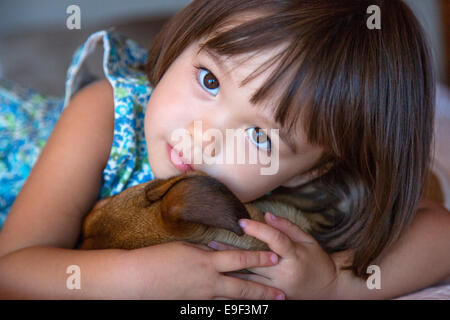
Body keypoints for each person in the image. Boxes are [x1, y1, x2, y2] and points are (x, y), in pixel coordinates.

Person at [0, 0, 449, 299]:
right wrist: (131, 278)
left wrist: (334, 284)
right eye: (210, 80)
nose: (204, 135)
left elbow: (440, 234)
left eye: (260, 137)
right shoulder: (102, 113)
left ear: (313, 170)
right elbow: (12, 270)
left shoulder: (318, 170)